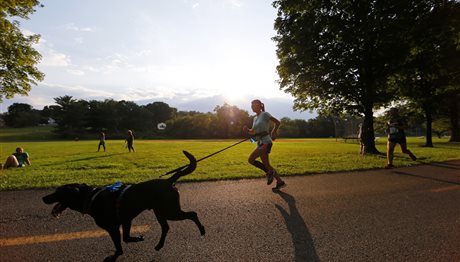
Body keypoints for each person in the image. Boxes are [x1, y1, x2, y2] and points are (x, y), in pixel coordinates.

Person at [243, 99, 286, 190]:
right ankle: (280, 182)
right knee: (267, 165)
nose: (252, 106)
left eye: (254, 105)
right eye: (251, 105)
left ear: (260, 105)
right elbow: (253, 131)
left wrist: (273, 132)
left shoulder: (265, 114)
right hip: (259, 142)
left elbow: (277, 122)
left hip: (266, 142)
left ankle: (269, 172)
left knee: (251, 159)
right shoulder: (255, 118)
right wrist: (248, 130)